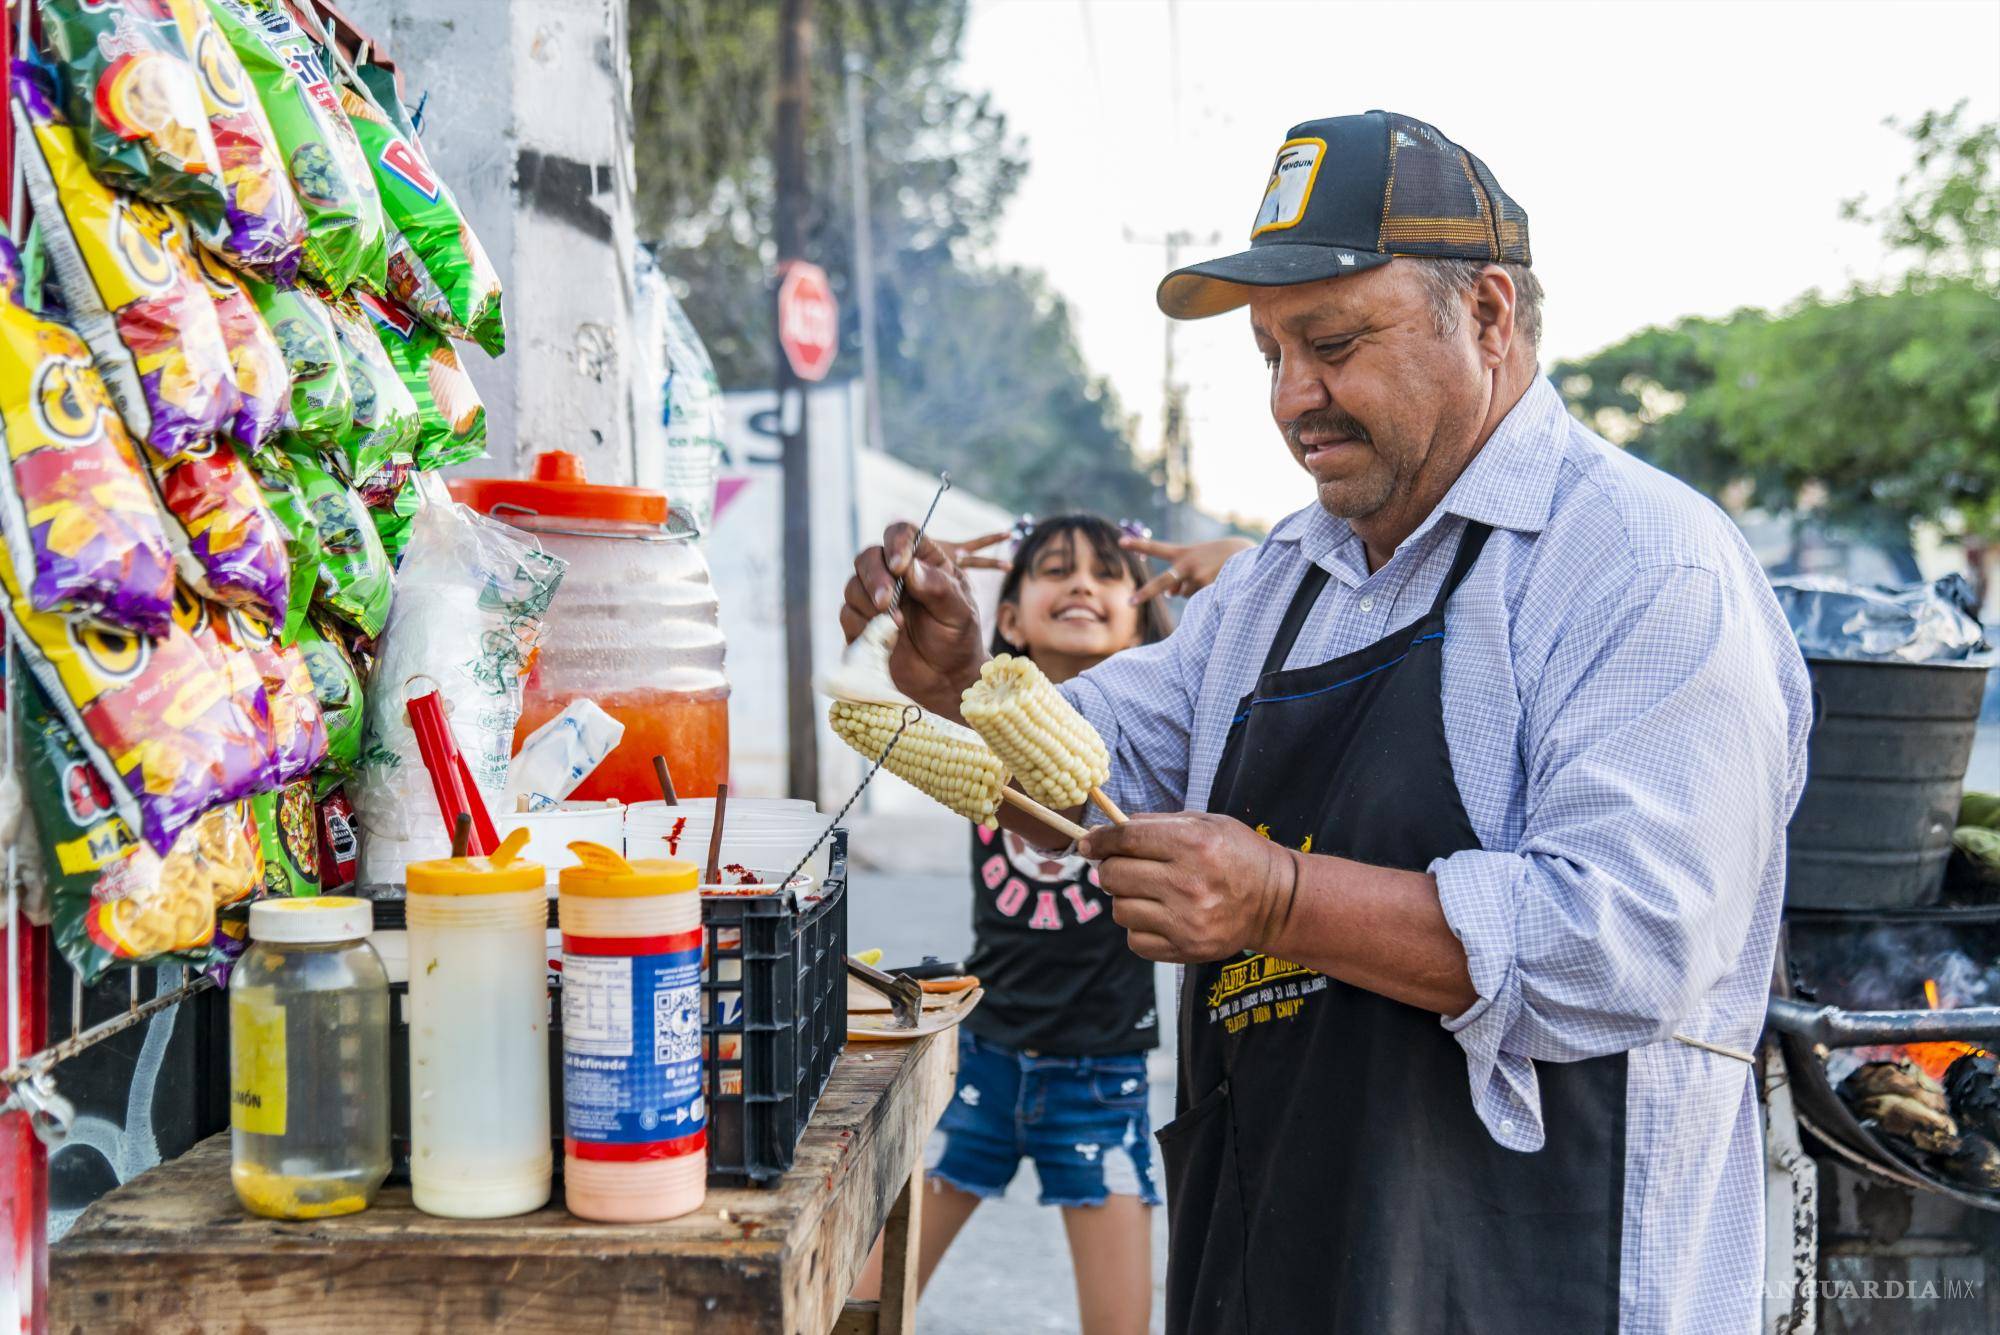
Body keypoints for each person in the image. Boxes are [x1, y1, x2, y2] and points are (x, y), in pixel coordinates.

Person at [843, 111, 1812, 1335]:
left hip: (1531, 1278)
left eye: (1335, 343)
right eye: (1269, 356)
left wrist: (1277, 904)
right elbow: (1099, 765)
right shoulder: (1277, 582)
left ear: (1489, 317)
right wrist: (960, 681)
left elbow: (1629, 941)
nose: (1294, 398)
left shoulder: (1641, 566)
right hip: (1276, 1252)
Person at [855, 516, 1172, 1335]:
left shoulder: (1166, 744)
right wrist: (915, 594)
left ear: (1144, 618)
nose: (1081, 585)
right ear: (1009, 618)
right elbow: (900, 674)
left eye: (1108, 574)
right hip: (983, 1054)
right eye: (1055, 570)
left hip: (1101, 1072)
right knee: (857, 1300)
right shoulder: (976, 719)